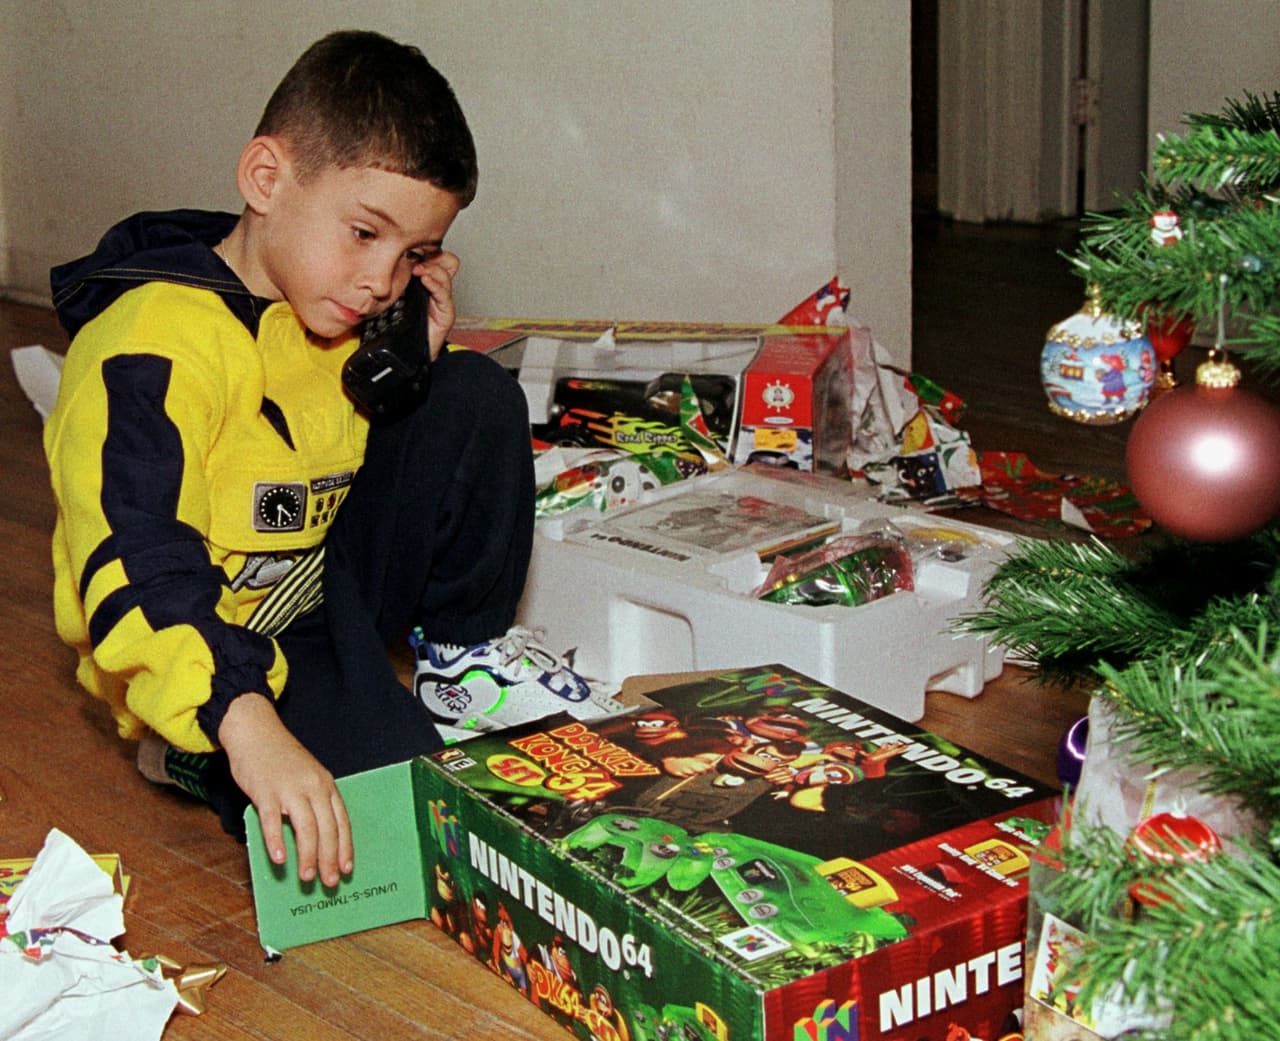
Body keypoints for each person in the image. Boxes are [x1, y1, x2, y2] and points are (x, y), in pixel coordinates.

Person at [44, 30, 607, 890]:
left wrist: (404, 367)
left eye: (412, 255)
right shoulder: (148, 346)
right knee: (394, 817)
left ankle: (462, 671)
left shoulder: (340, 314)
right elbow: (139, 557)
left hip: (316, 591)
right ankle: (187, 750)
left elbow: (352, 452)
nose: (382, 281)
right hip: (213, 640)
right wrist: (249, 720)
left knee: (474, 395)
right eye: (364, 233)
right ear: (266, 180)